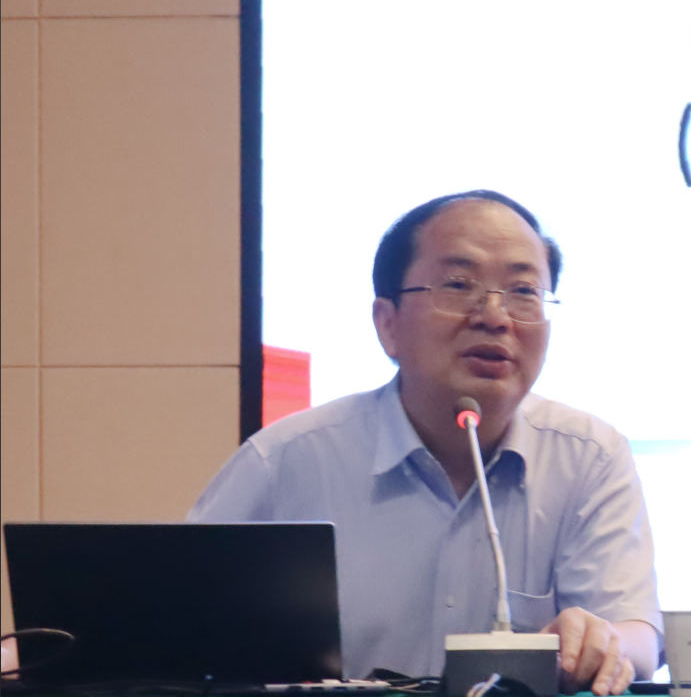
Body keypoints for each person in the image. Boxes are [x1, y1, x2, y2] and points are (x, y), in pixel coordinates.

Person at [189, 190, 662, 695]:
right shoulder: (287, 461)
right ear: (387, 324)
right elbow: (180, 632)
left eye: (524, 291)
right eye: (458, 285)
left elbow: (636, 635)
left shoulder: (589, 456)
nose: (495, 316)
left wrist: (601, 642)